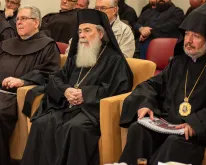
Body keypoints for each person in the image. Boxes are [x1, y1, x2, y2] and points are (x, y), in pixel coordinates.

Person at [21, 9, 133, 165]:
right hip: (67, 106)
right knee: (41, 123)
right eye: (80, 31)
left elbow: (118, 89)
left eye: (87, 30)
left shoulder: (114, 60)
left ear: (100, 34)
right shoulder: (76, 57)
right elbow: (56, 78)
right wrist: (66, 90)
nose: (81, 35)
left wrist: (85, 94)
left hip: (92, 111)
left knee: (75, 128)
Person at [119, 1, 206, 165]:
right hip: (168, 123)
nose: (189, 40)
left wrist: (197, 123)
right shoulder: (178, 62)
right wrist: (146, 104)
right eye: (187, 34)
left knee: (174, 142)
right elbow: (150, 85)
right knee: (138, 129)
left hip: (193, 132)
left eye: (196, 36)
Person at [0, 5, 60, 165]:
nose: (18, 22)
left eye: (23, 19)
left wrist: (23, 81)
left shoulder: (47, 45)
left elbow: (50, 73)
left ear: (36, 22)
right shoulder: (7, 44)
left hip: (14, 97)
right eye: (17, 19)